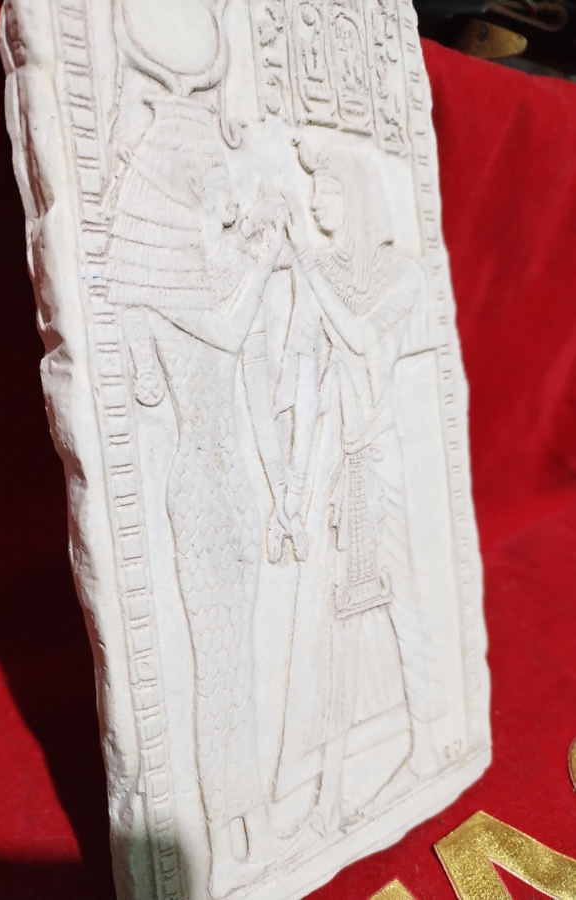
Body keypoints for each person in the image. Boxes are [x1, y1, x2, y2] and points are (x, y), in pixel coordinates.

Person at [105, 97, 289, 897]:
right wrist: (257, 264)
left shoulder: (193, 279)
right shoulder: (161, 287)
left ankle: (250, 818)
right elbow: (222, 331)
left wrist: (284, 493)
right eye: (213, 179)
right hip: (199, 490)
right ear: (181, 189)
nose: (230, 194)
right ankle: (217, 831)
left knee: (239, 662)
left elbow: (253, 385)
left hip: (235, 484)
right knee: (215, 667)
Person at [276, 141, 441, 836]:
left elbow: (359, 339)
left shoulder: (401, 274)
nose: (316, 202)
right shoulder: (321, 271)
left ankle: (427, 744)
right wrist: (292, 490)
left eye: (328, 191)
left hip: (382, 467)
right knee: (330, 628)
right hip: (335, 465)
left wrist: (305, 266)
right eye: (313, 192)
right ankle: (329, 795)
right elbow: (306, 381)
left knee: (404, 609)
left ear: (359, 199)